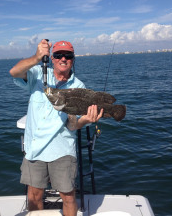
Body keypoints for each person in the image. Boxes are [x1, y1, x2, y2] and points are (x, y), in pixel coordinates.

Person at [9, 39, 103, 216]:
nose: (63, 59)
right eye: (59, 55)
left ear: (73, 60)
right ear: (51, 58)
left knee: (68, 197)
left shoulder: (78, 87)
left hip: (62, 149)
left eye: (68, 56)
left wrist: (87, 120)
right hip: (35, 148)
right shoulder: (38, 74)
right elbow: (14, 72)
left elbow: (73, 124)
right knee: (34, 196)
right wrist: (37, 57)